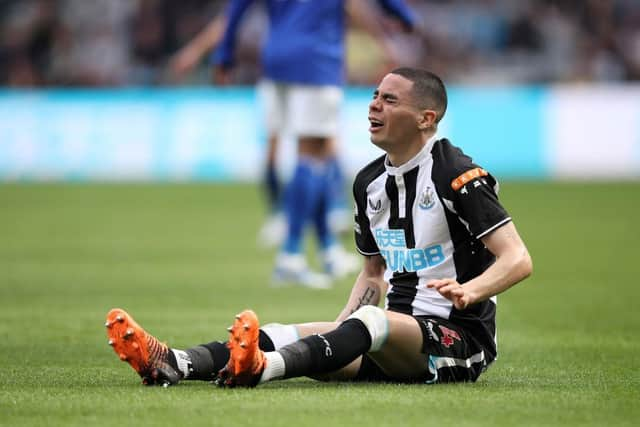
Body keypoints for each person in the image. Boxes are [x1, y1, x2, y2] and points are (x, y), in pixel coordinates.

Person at [106, 67, 533, 387]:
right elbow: (372, 274)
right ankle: (172, 362)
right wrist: (340, 334)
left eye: (389, 100)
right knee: (283, 332)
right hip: (389, 335)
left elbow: (517, 258)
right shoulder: (369, 182)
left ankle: (261, 371)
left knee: (369, 322)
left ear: (426, 118)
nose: (373, 105)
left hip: (457, 341)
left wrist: (471, 291)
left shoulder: (457, 176)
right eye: (373, 96)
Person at [214, 0, 417, 288]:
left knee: (316, 155)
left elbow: (237, 7)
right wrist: (404, 16)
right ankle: (290, 257)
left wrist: (224, 54)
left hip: (274, 60)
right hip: (316, 59)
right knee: (313, 155)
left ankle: (328, 250)